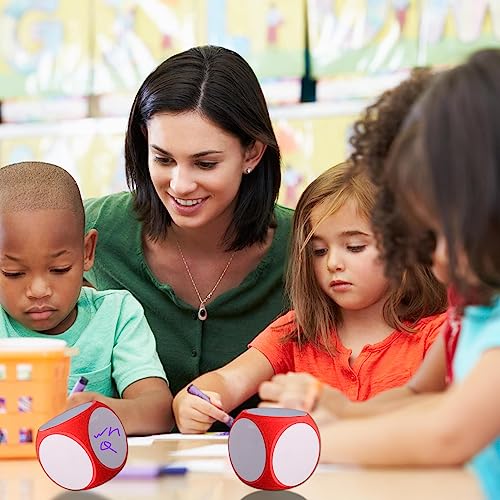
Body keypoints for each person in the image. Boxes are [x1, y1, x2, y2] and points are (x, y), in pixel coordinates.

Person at [315, 49, 500, 498]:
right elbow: (431, 401)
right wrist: (346, 414)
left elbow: (446, 432)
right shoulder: (481, 312)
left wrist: (319, 443)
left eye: (442, 234)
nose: (434, 260)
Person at [84, 46, 292, 417]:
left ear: (252, 153)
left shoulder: (310, 244)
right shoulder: (94, 229)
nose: (179, 185)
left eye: (205, 163)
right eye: (162, 159)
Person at [173, 161, 447, 433]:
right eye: (318, 251)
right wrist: (192, 402)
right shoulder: (296, 331)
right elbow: (227, 381)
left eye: (354, 247)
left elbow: (444, 420)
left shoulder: (438, 336)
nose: (333, 263)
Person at [259, 67, 449, 415]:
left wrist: (329, 428)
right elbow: (414, 398)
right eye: (318, 250)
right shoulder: (465, 318)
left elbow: (445, 433)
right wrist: (339, 413)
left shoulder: (457, 330)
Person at [0, 161, 173, 435]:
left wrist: (106, 411)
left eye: (59, 270)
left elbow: (160, 411)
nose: (39, 290)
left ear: (87, 252)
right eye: (14, 273)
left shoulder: (117, 315)